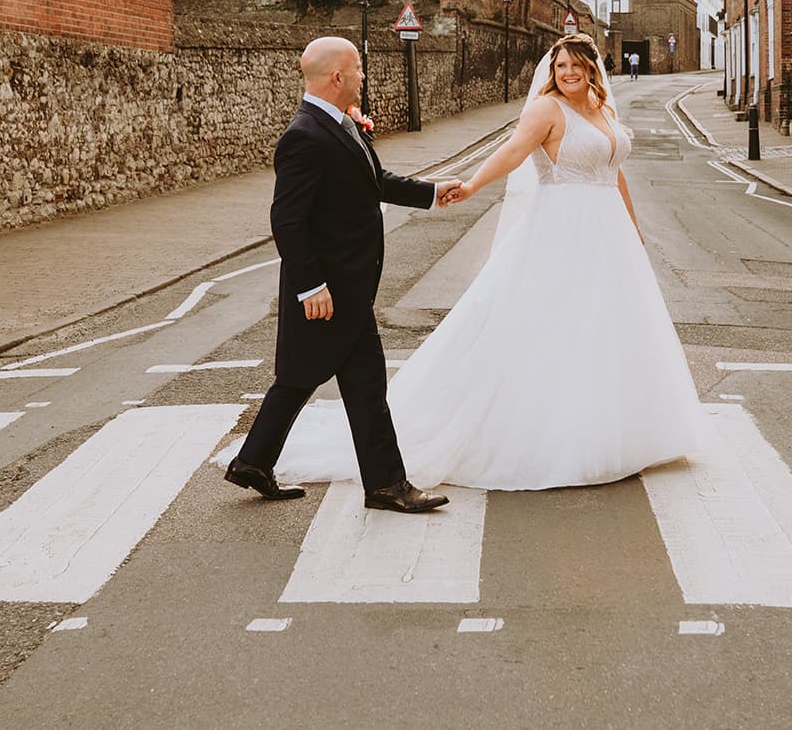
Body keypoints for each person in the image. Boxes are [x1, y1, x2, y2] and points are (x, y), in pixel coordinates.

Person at [252, 32, 708, 491]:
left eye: (575, 66)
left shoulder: (603, 110)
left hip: (607, 238)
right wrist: (469, 185)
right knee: (558, 331)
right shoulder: (546, 111)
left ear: (593, 68)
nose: (567, 74)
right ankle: (385, 481)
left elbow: (614, 170)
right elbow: (512, 152)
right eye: (559, 67)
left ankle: (290, 467)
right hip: (560, 234)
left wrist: (632, 227)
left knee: (609, 332)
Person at [224, 36, 460, 514]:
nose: (363, 76)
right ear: (337, 77)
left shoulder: (340, 124)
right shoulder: (304, 136)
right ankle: (386, 485)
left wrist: (434, 193)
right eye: (358, 69)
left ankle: (254, 462)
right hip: (329, 289)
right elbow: (286, 220)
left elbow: (375, 182)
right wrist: (312, 285)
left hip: (345, 286)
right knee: (353, 384)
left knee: (314, 379)